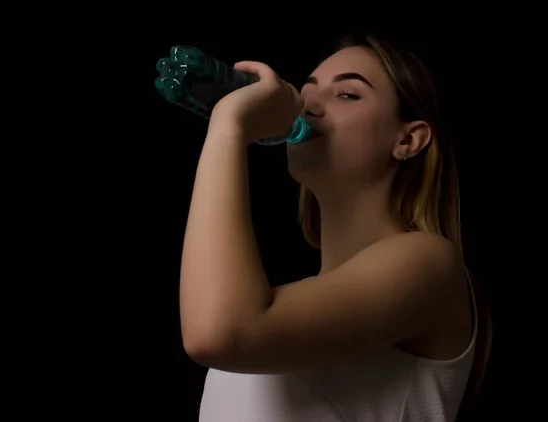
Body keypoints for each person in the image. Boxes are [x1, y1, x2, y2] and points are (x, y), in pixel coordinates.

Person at [179, 33, 492, 422]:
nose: (307, 105)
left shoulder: (431, 264)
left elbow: (220, 333)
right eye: (306, 91)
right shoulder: (282, 309)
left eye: (347, 94)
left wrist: (229, 125)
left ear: (409, 139)